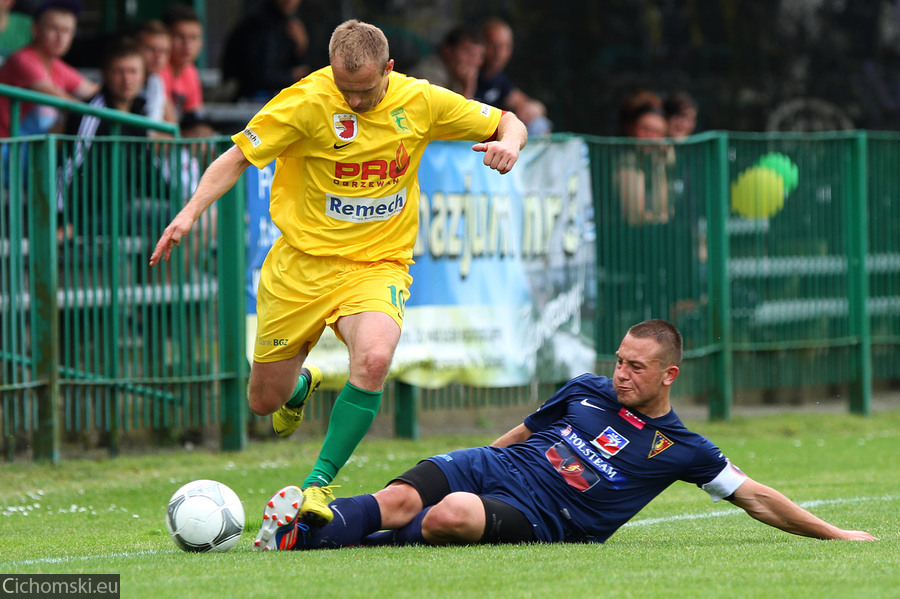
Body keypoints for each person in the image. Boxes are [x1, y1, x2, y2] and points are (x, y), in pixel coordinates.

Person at [149, 20, 527, 529]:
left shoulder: (421, 101)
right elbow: (236, 158)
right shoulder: (303, 101)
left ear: (389, 70)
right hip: (300, 269)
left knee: (372, 359)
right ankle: (300, 385)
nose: (354, 102)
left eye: (366, 91)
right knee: (265, 402)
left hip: (376, 265)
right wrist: (188, 213)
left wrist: (510, 143)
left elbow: (509, 120)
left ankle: (318, 484)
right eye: (345, 90)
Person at [251, 319, 878, 550]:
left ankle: (340, 540)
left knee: (453, 516)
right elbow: (524, 431)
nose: (621, 373)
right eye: (619, 360)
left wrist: (835, 531)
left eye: (636, 367)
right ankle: (294, 536)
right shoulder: (586, 388)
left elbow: (756, 496)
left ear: (669, 376)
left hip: (546, 514)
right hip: (498, 468)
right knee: (404, 497)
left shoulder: (684, 449)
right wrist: (465, 460)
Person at [0, 0, 98, 137]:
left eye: (67, 30)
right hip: (7, 148)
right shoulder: (23, 60)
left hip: (25, 150)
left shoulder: (57, 65)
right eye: (53, 28)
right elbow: (67, 104)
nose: (61, 37)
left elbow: (94, 92)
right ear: (35, 30)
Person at [474, 18, 551, 137]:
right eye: (494, 45)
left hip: (491, 141)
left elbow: (526, 104)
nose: (500, 53)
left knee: (539, 124)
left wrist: (535, 108)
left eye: (506, 47)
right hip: (467, 141)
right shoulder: (468, 73)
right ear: (481, 45)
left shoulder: (499, 78)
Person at [221, 0, 310, 101]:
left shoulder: (291, 24)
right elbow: (258, 76)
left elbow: (300, 68)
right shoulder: (258, 24)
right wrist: (291, 75)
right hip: (249, 99)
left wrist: (300, 47)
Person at [409, 24, 483, 99]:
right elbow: (441, 110)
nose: (475, 61)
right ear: (447, 51)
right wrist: (468, 89)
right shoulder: (428, 75)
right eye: (468, 52)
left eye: (480, 55)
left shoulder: (458, 76)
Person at [159, 3, 203, 120]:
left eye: (194, 37)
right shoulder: (159, 68)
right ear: (166, 37)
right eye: (180, 36)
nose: (187, 44)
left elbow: (194, 116)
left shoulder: (191, 71)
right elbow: (169, 123)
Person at [135, 19, 176, 128]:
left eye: (164, 51)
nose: (158, 57)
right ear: (136, 48)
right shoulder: (126, 81)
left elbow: (173, 130)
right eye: (151, 49)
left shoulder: (156, 82)